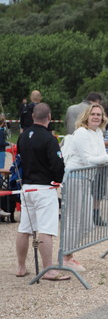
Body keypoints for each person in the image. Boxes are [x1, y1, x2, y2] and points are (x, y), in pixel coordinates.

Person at [61, 103, 108, 271]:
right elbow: (89, 159)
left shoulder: (97, 133)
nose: (96, 117)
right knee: (74, 221)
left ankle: (68, 254)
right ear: (86, 116)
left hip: (87, 179)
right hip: (75, 178)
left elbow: (99, 156)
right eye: (93, 114)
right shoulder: (81, 133)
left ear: (103, 118)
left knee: (88, 223)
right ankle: (66, 257)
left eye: (99, 114)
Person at [15, 103, 70, 281]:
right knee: (46, 229)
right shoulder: (49, 138)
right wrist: (58, 180)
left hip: (27, 187)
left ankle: (21, 266)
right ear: (49, 117)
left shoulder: (22, 137)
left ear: (32, 116)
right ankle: (48, 269)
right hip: (44, 188)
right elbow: (57, 164)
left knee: (25, 229)